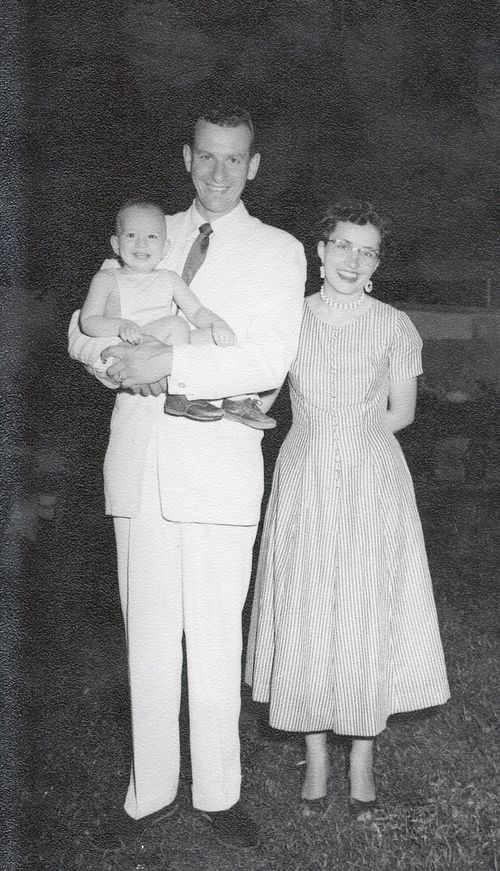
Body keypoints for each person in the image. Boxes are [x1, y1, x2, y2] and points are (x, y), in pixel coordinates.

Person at [68, 105, 306, 848]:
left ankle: (218, 792)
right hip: (139, 464)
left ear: (255, 165)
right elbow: (80, 325)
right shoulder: (146, 228)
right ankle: (150, 792)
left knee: (212, 637)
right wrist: (109, 358)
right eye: (206, 156)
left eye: (234, 159)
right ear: (186, 156)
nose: (218, 172)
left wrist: (167, 362)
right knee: (147, 635)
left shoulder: (278, 251)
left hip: (219, 464)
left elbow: (267, 356)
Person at [245, 200, 450, 820]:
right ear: (320, 250)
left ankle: (360, 763)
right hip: (304, 475)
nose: (351, 260)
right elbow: (264, 393)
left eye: (366, 251)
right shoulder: (289, 318)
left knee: (362, 607)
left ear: (378, 264)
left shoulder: (395, 325)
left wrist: (350, 442)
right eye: (341, 245)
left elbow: (402, 412)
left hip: (370, 480)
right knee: (307, 605)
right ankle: (314, 764)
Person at [80, 197, 276, 428]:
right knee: (177, 324)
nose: (141, 244)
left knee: (215, 338)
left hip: (164, 346)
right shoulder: (107, 278)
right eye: (131, 235)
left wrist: (218, 324)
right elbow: (88, 321)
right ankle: (179, 396)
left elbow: (196, 311)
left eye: (151, 237)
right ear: (116, 244)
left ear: (165, 247)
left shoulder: (168, 278)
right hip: (128, 350)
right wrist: (120, 326)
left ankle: (238, 400)